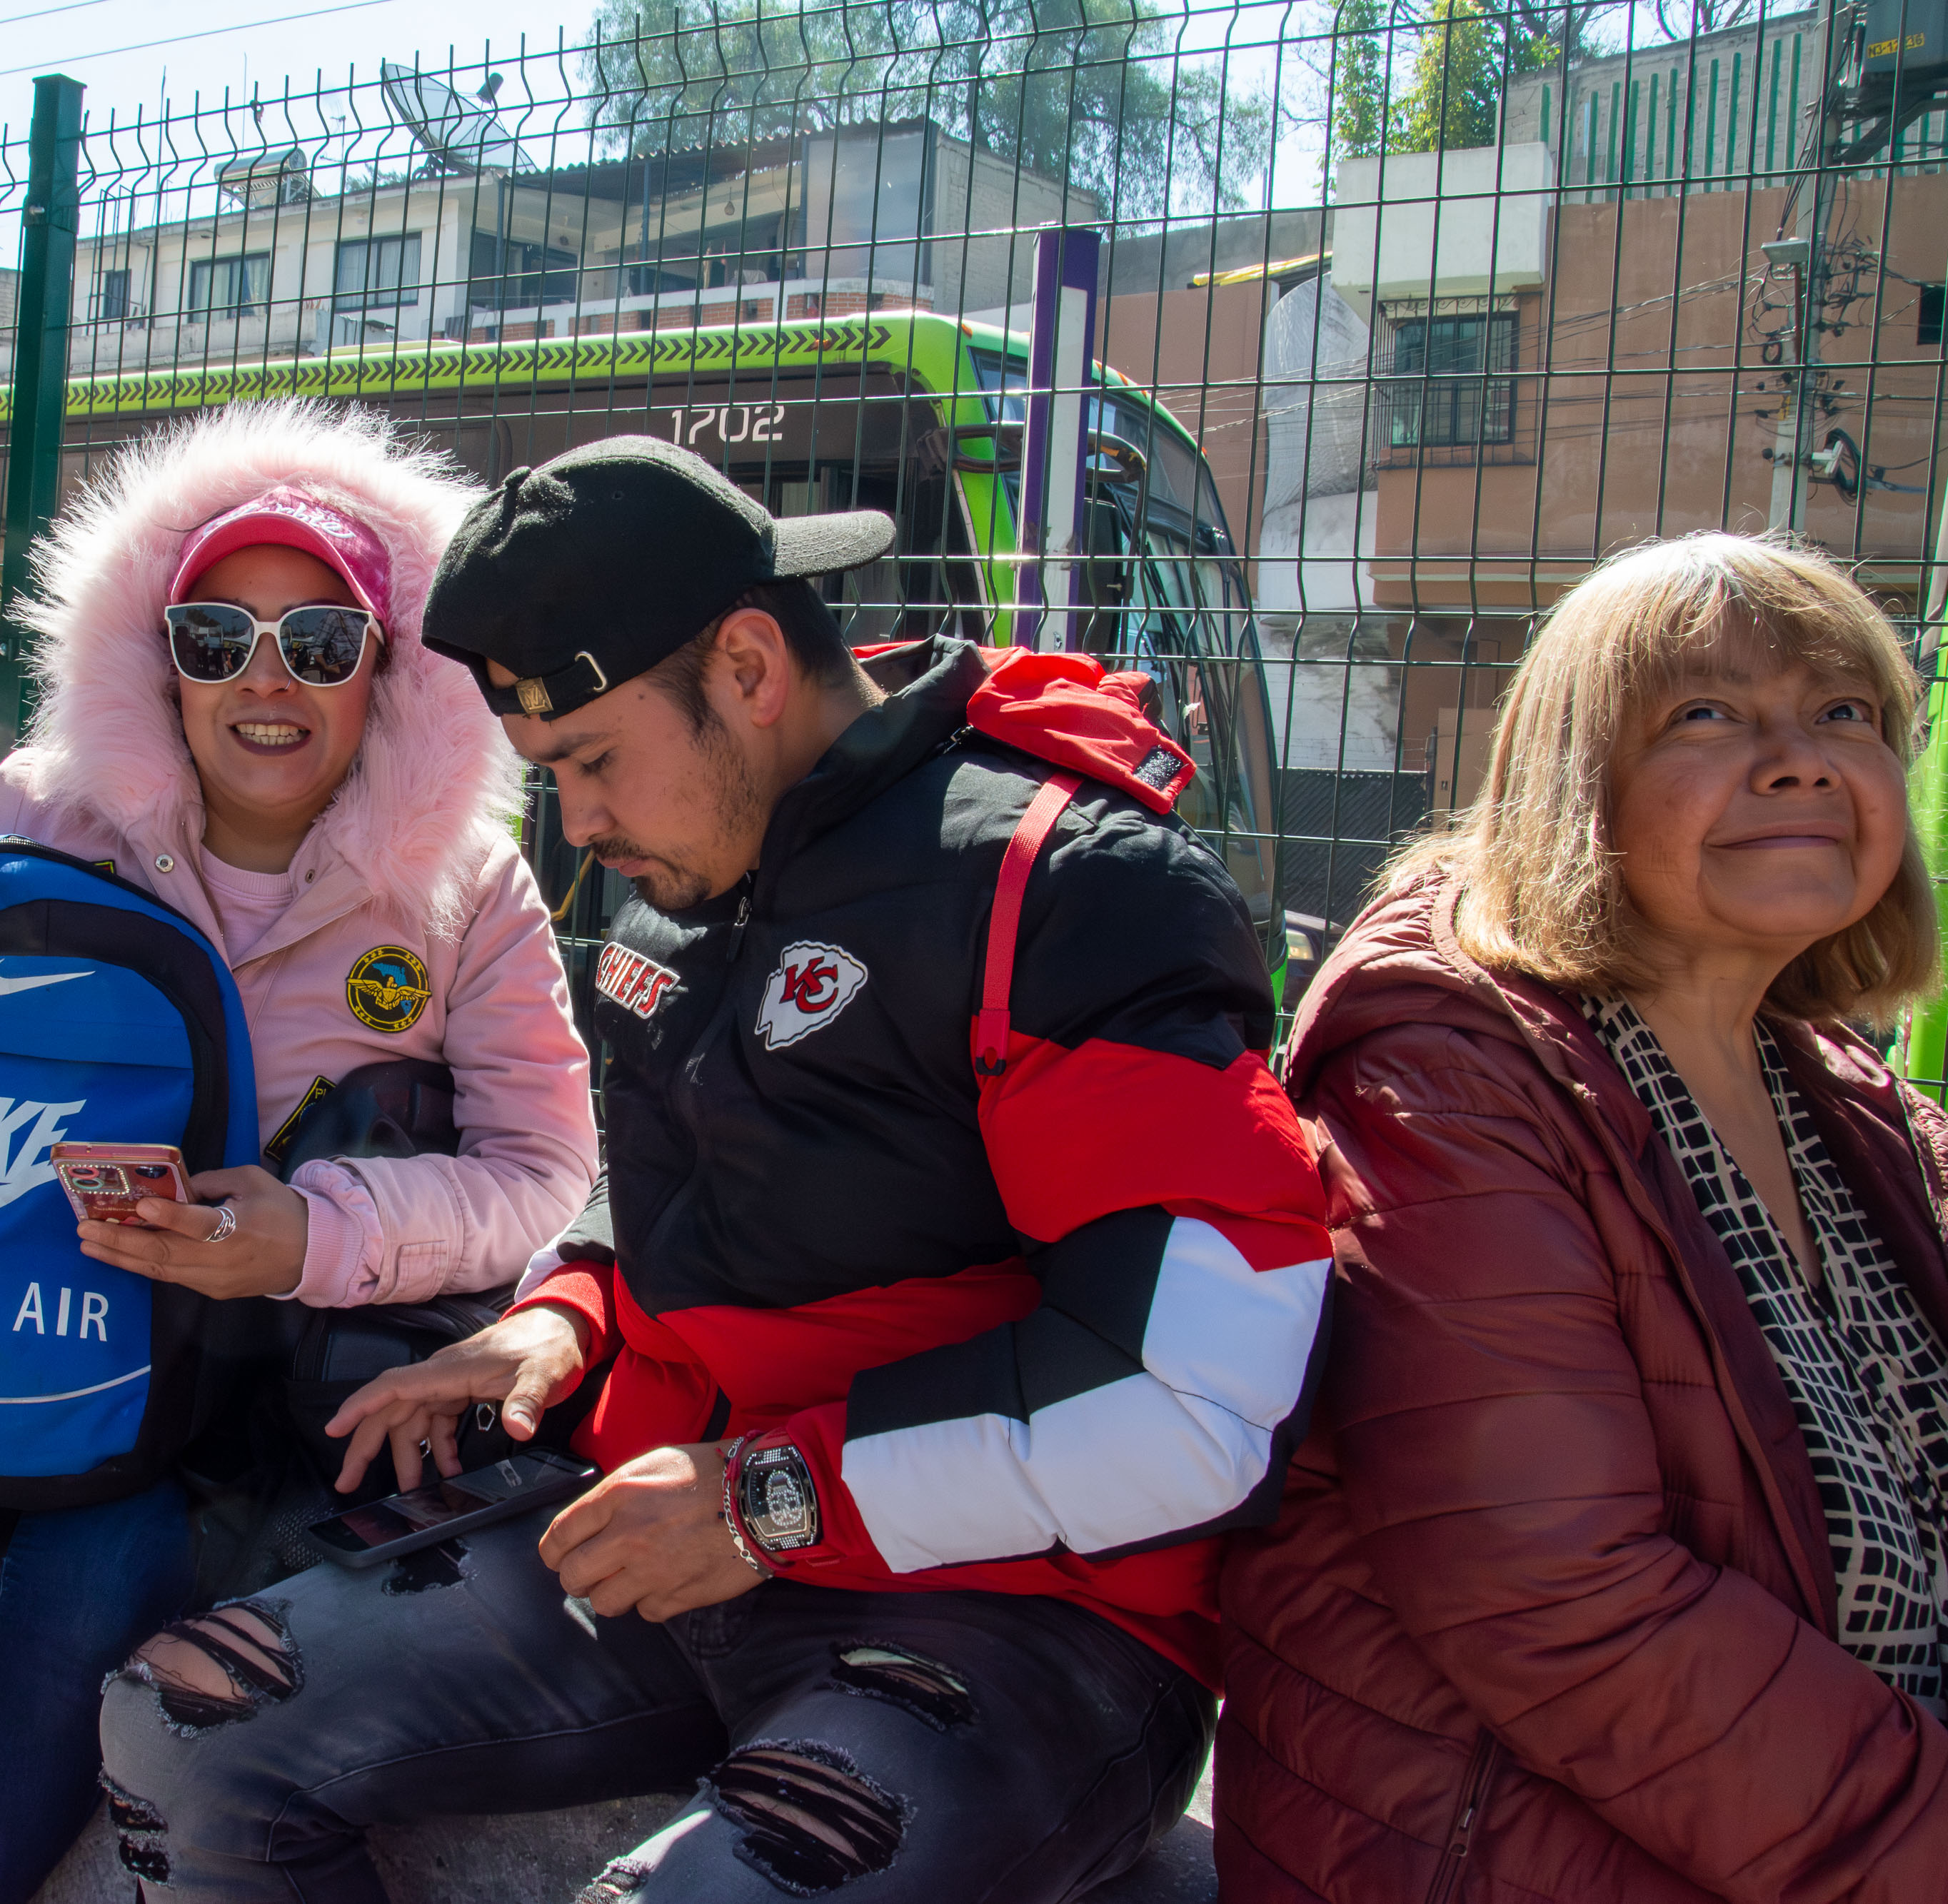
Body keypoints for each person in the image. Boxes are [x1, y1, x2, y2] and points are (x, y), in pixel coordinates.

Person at [96, 435, 1335, 1903]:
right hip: (670, 1531)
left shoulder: (1067, 887)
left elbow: (1197, 1398)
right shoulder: (681, 872)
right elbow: (679, 1177)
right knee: (181, 1725)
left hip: (1022, 1617)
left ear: (748, 667)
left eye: (592, 761)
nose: (579, 825)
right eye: (551, 775)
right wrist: (562, 1316)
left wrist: (768, 1498)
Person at [0, 401, 601, 1904]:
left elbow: (540, 1168)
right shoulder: (41, 810)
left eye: (322, 642)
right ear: (160, 662)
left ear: (392, 668)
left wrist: (315, 1232)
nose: (266, 680)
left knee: (70, 1644)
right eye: (217, 638)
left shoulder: (464, 889)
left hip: (197, 1399)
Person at [1215, 534, 1948, 1900]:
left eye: (1844, 711)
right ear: (1576, 782)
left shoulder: (1846, 1095)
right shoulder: (1444, 1071)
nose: (1800, 760)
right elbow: (1554, 1598)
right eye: (1707, 713)